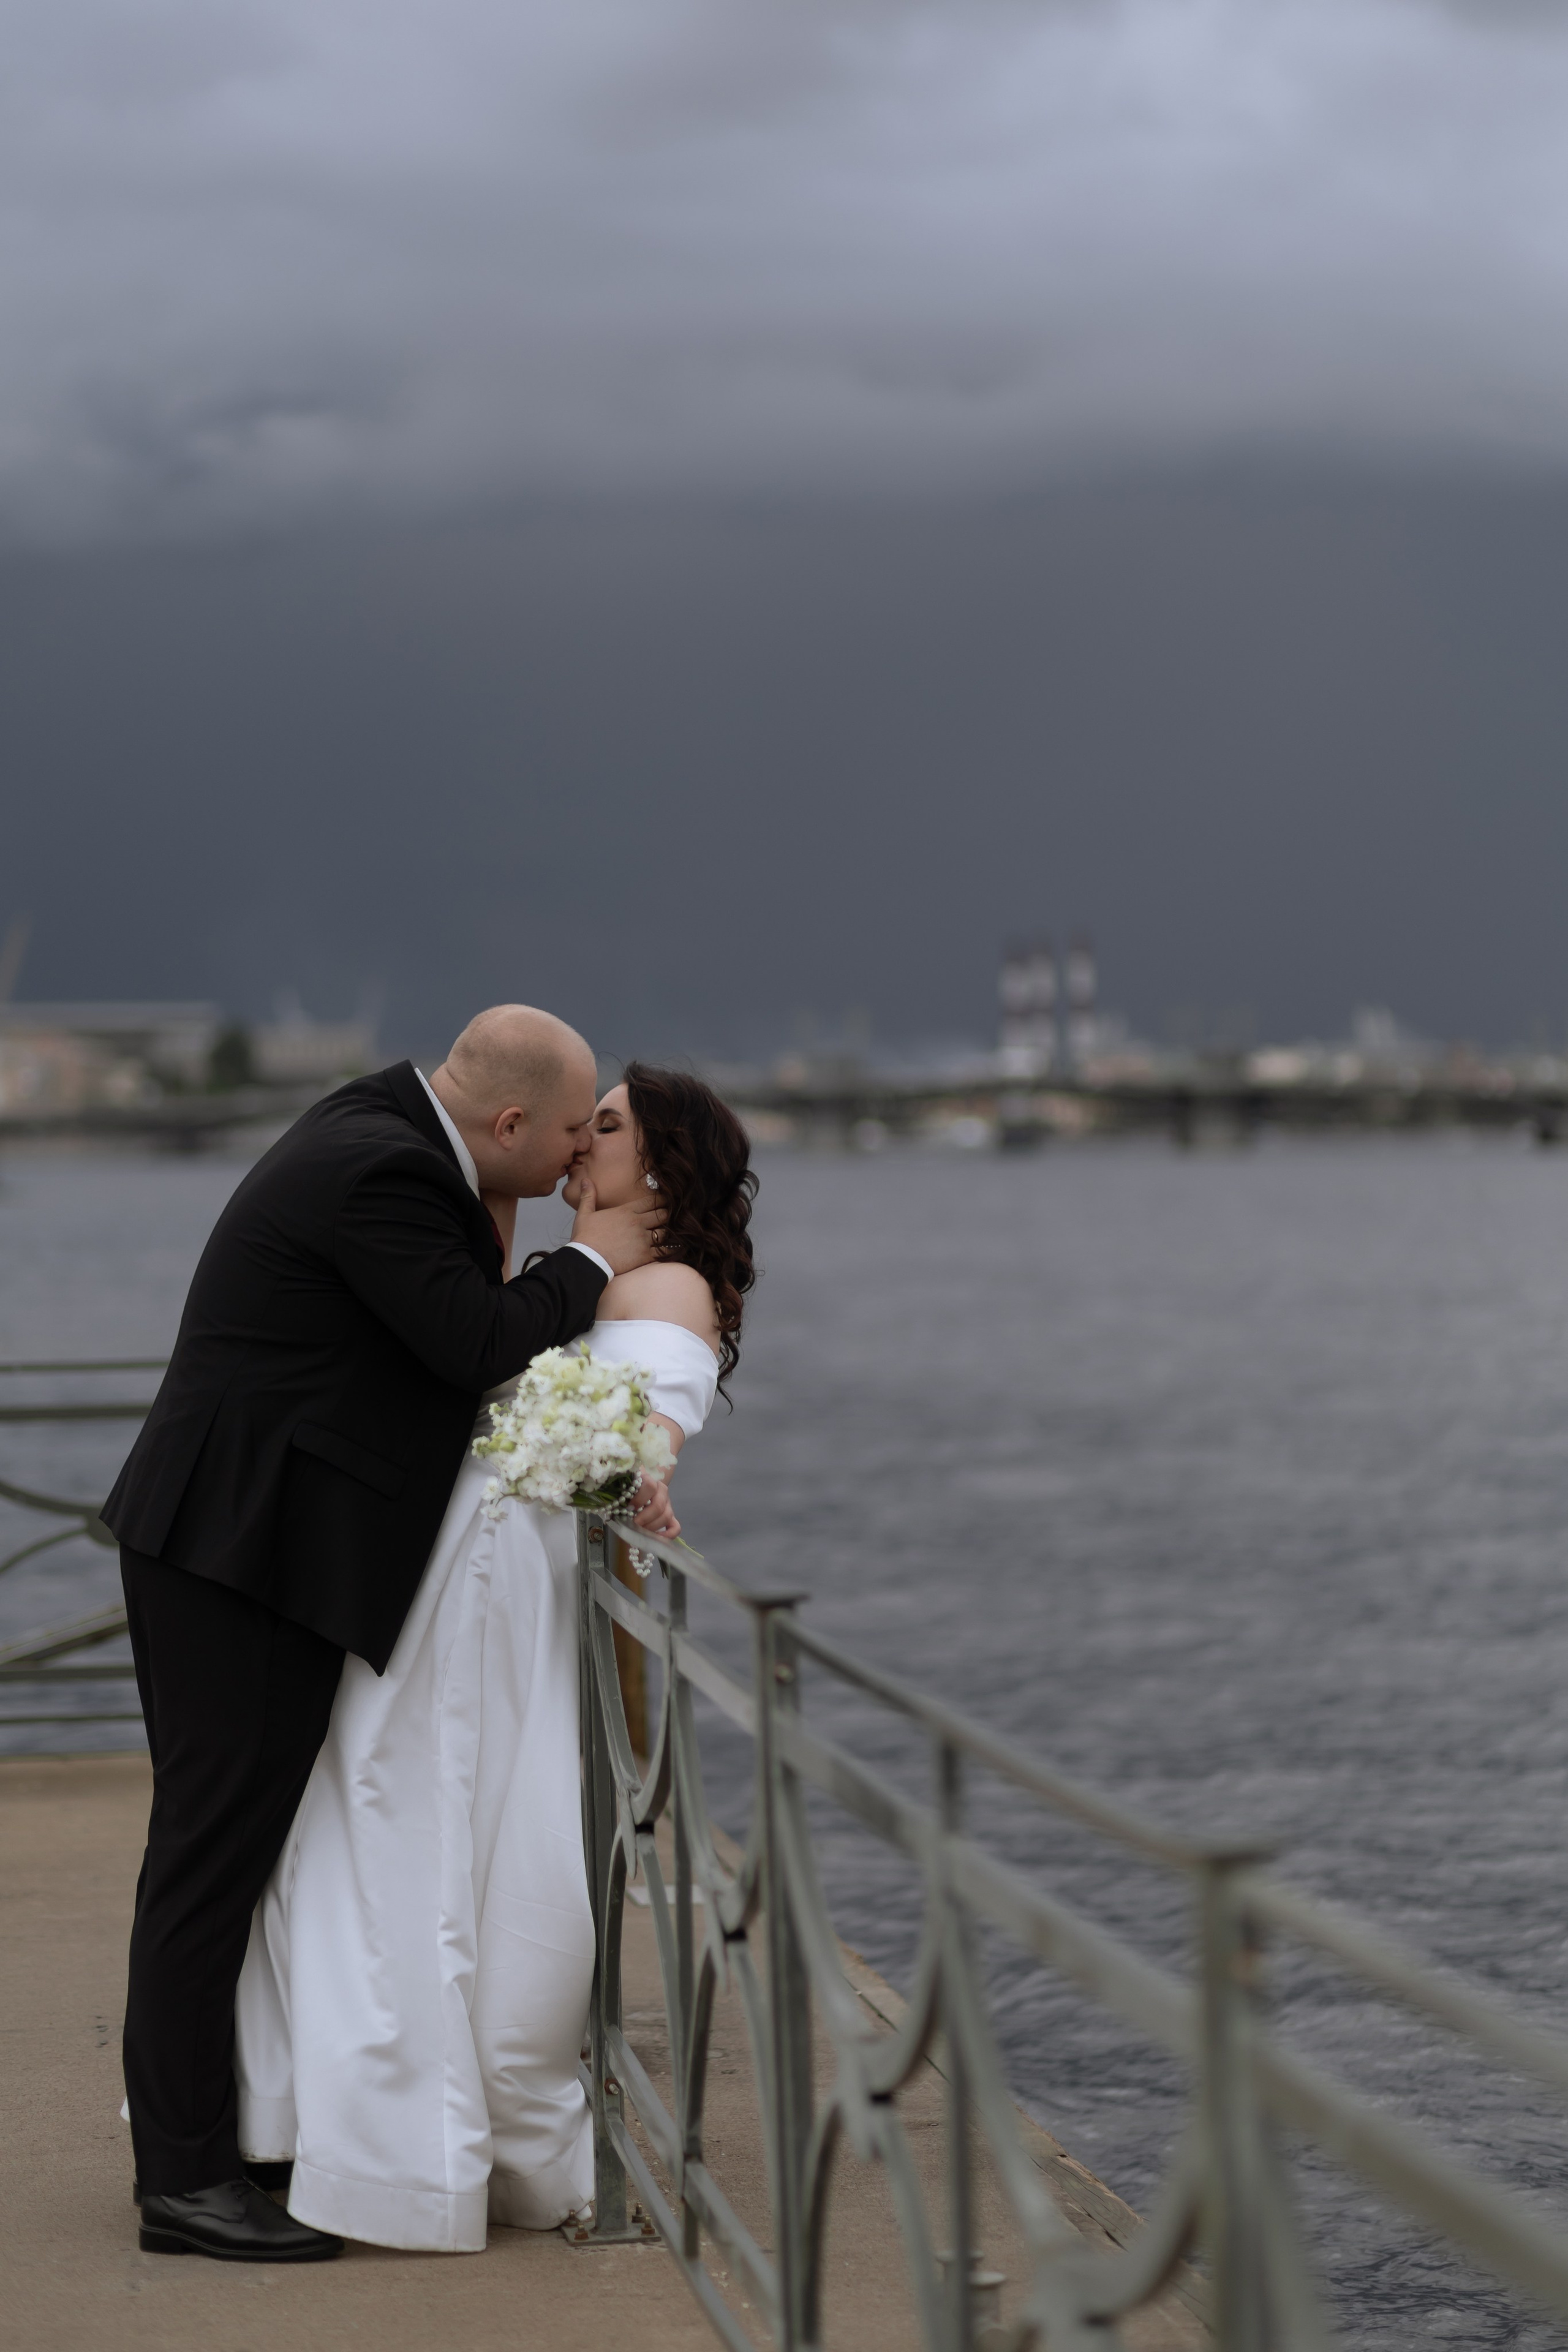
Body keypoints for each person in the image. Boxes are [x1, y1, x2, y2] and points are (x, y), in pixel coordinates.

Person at [103, 1009, 665, 2263]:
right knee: (208, 1862)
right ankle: (183, 2186)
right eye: (572, 1131)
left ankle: (224, 2142)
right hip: (236, 1558)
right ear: (509, 1123)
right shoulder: (384, 1168)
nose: (581, 1152)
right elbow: (473, 1340)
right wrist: (593, 1256)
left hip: (244, 1544)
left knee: (226, 1859)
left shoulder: (390, 1129)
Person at [232, 1065, 756, 2251]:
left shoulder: (662, 1281)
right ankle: (360, 2132)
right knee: (376, 1821)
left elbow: (649, 1411)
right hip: (449, 1568)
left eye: (606, 1128)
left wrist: (645, 1464)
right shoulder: (575, 1268)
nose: (580, 1142)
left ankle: (399, 2149)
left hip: (488, 1586)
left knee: (407, 1822)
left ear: (665, 1167)